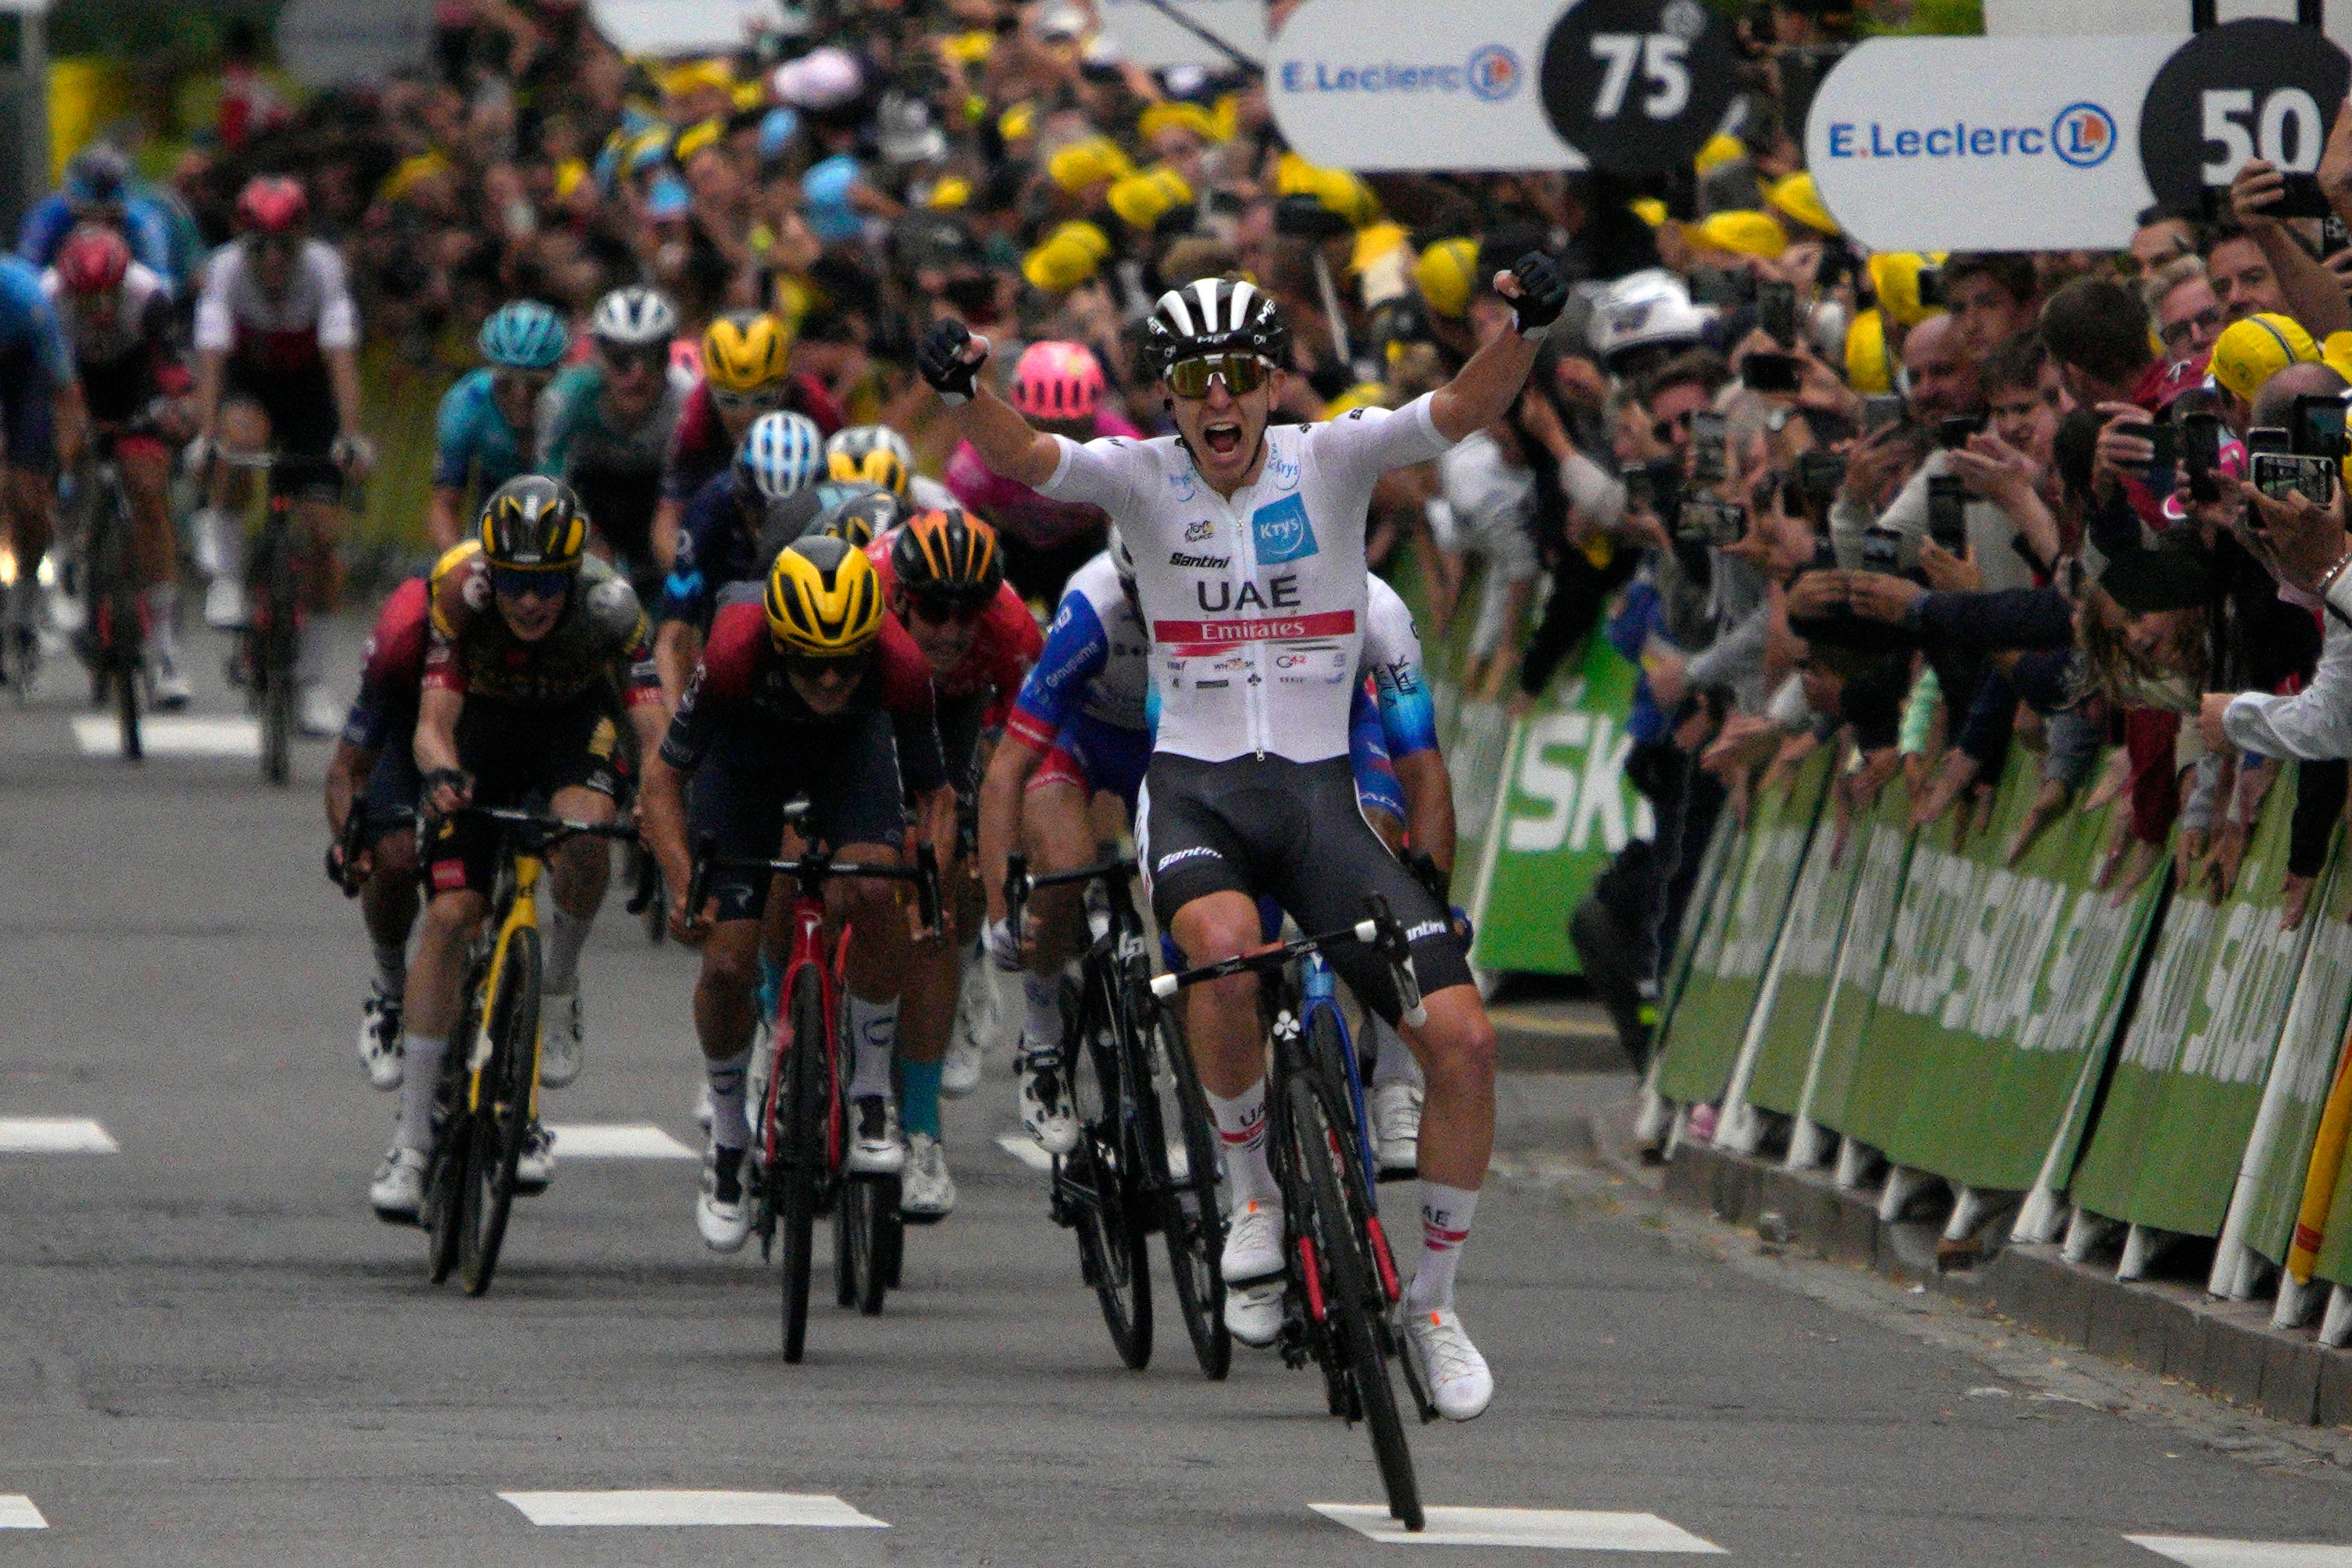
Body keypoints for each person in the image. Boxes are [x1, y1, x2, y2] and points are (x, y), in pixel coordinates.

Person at [920, 256, 1570, 1422]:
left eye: (1237, 376)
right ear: (1166, 395)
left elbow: (1466, 409)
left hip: (1321, 805)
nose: (1217, 401)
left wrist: (1522, 325)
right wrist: (965, 387)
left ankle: (1431, 1304)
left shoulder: (1335, 457)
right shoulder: (1138, 478)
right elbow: (1023, 458)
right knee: (1218, 951)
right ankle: (1249, 1190)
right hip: (1199, 796)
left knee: (1463, 1045)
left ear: (1271, 382)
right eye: (1192, 380)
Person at [640, 534, 955, 1250]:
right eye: (814, 666)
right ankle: (727, 1137)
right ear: (781, 644)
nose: (832, 683)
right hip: (744, 764)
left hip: (850, 756)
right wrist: (681, 875)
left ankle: (872, 1094)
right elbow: (662, 781)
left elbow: (936, 794)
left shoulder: (899, 662)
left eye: (848, 665)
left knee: (877, 886)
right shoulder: (732, 653)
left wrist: (928, 879)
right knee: (724, 962)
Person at [369, 477, 667, 1220]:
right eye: (515, 583)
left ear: (573, 574)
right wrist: (441, 773)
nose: (529, 602)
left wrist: (655, 808)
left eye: (545, 585)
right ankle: (408, 1144)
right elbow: (433, 721)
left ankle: (558, 987)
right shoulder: (461, 596)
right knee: (449, 916)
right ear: (491, 572)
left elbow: (656, 729)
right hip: (484, 733)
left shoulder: (611, 606)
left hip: (572, 731)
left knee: (588, 832)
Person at [866, 506, 1040, 1216]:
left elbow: (1022, 755)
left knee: (961, 868)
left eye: (965, 612)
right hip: (871, 702)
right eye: (933, 610)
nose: (948, 628)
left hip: (963, 713)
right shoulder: (867, 601)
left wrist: (994, 851)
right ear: (903, 596)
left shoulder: (1011, 631)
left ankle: (922, 1131)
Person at [186, 176, 372, 737]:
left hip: (309, 389)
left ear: (301, 242)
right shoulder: (224, 271)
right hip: (251, 381)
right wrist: (204, 434)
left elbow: (340, 358)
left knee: (321, 534)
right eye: (259, 246)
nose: (272, 260)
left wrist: (351, 435)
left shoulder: (323, 269)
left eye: (283, 247)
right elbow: (212, 357)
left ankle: (312, 681)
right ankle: (229, 575)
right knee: (236, 441)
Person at [43, 224, 190, 705]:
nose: (101, 311)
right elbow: (41, 377)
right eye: (88, 300)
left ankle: (165, 648)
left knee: (148, 488)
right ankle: (65, 549)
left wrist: (176, 408)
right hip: (74, 378)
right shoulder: (48, 301)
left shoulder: (148, 297)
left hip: (133, 380)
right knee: (57, 455)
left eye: (108, 297)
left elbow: (170, 368)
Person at [325, 571, 436, 1094]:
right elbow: (346, 769)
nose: (529, 604)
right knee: (395, 854)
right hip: (412, 733)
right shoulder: (408, 632)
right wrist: (350, 841)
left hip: (503, 736)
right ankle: (391, 988)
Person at [943, 339, 1141, 598]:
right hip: (1011, 551)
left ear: (1095, 417)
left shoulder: (1124, 444)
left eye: (1074, 432)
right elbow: (951, 520)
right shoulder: (979, 456)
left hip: (1083, 548)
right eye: (1041, 430)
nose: (1058, 446)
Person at [655, 409, 827, 703]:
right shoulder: (710, 508)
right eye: (761, 516)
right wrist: (676, 726)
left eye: (792, 520)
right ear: (739, 498)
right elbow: (674, 636)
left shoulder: (845, 517)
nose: (775, 533)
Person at [537, 285, 687, 608]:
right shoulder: (567, 399)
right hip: (588, 498)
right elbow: (547, 488)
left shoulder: (685, 402)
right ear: (598, 357)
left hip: (654, 499)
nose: (637, 375)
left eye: (653, 358)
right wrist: (587, 543)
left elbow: (677, 507)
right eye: (621, 360)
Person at [655, 310, 842, 567]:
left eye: (763, 400)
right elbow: (668, 519)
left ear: (787, 387)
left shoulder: (814, 403)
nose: (746, 415)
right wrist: (685, 572)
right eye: (730, 401)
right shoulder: (697, 414)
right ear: (711, 391)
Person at [0, 251, 84, 684]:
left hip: (21, 370)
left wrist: (64, 463)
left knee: (27, 497)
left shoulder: (25, 298)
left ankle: (28, 596)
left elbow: (66, 388)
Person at [428, 301, 570, 553]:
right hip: (496, 497)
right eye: (506, 383)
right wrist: (459, 563)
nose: (520, 396)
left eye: (535, 385)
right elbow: (444, 504)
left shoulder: (575, 403)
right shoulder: (466, 403)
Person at [19, 144, 177, 290]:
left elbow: (161, 286)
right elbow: (25, 279)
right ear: (69, 201)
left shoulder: (142, 221)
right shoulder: (49, 215)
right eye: (86, 216)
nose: (97, 228)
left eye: (111, 219)